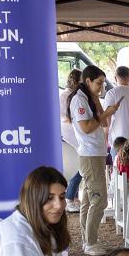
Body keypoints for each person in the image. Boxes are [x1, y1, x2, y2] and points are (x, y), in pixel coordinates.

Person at [69, 65, 120, 256]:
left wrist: (100, 103)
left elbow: (104, 123)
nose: (101, 87)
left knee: (89, 200)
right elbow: (87, 127)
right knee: (99, 200)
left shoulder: (89, 98)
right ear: (87, 81)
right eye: (98, 83)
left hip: (95, 153)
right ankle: (90, 242)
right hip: (90, 154)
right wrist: (106, 112)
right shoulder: (79, 100)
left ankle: (88, 240)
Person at [60, 68, 83, 207]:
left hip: (76, 135)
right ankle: (70, 197)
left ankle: (73, 197)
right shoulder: (65, 95)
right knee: (77, 166)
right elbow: (63, 116)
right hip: (69, 135)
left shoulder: (76, 95)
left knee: (79, 166)